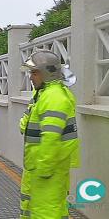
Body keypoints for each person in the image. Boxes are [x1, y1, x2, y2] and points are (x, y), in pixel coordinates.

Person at [19, 50, 80, 219]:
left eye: (34, 72)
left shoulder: (53, 97)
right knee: (46, 210)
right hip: (41, 167)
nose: (31, 77)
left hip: (47, 169)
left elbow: (51, 137)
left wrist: (44, 169)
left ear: (46, 73)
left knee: (46, 212)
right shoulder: (45, 94)